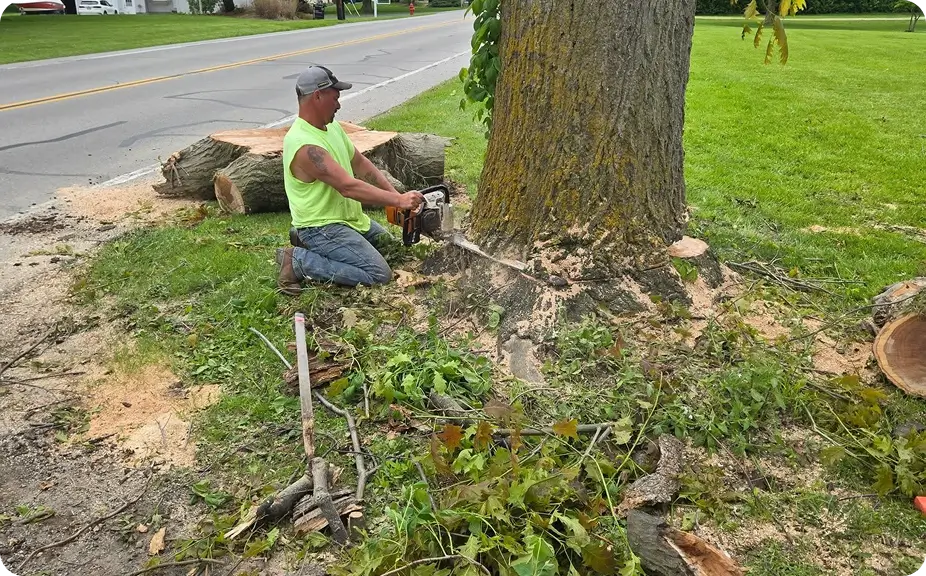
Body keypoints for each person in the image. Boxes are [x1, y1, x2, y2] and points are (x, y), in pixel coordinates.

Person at [275, 65, 424, 294]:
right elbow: (347, 186)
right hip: (322, 227)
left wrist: (394, 196)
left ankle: (307, 244)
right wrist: (399, 201)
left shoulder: (331, 127)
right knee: (378, 274)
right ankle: (297, 261)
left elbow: (360, 163)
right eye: (335, 98)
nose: (339, 104)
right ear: (317, 96)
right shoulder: (305, 146)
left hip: (350, 219)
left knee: (392, 250)